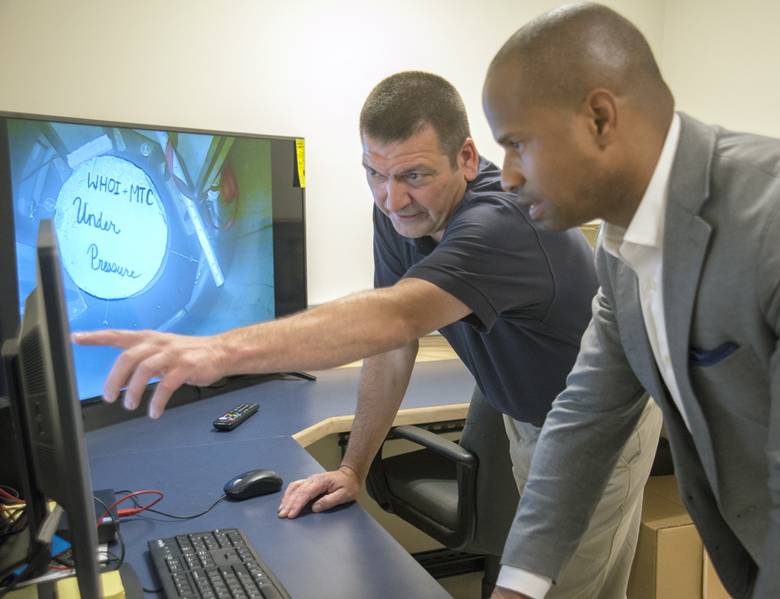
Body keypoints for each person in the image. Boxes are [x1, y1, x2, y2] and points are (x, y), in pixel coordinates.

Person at [75, 71, 662, 598]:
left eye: (413, 175)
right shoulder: (403, 210)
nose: (390, 197)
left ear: (465, 156)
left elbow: (397, 316)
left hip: (596, 428)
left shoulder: (502, 220)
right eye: (374, 174)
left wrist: (220, 350)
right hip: (528, 410)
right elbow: (391, 341)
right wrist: (353, 469)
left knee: (566, 590)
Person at [481, 3, 780, 599]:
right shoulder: (621, 251)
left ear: (600, 118)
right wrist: (518, 585)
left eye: (518, 144)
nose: (510, 176)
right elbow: (584, 419)